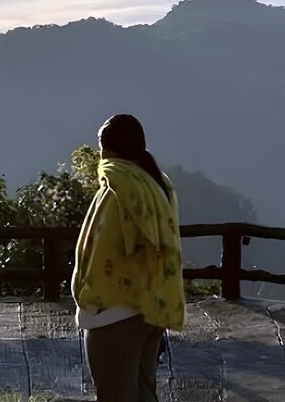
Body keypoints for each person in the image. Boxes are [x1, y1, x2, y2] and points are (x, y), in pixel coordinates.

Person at [72, 114, 186, 402]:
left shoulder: (119, 188)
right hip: (149, 307)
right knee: (145, 393)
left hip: (114, 314)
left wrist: (88, 297)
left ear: (107, 149)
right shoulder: (157, 185)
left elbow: (102, 248)